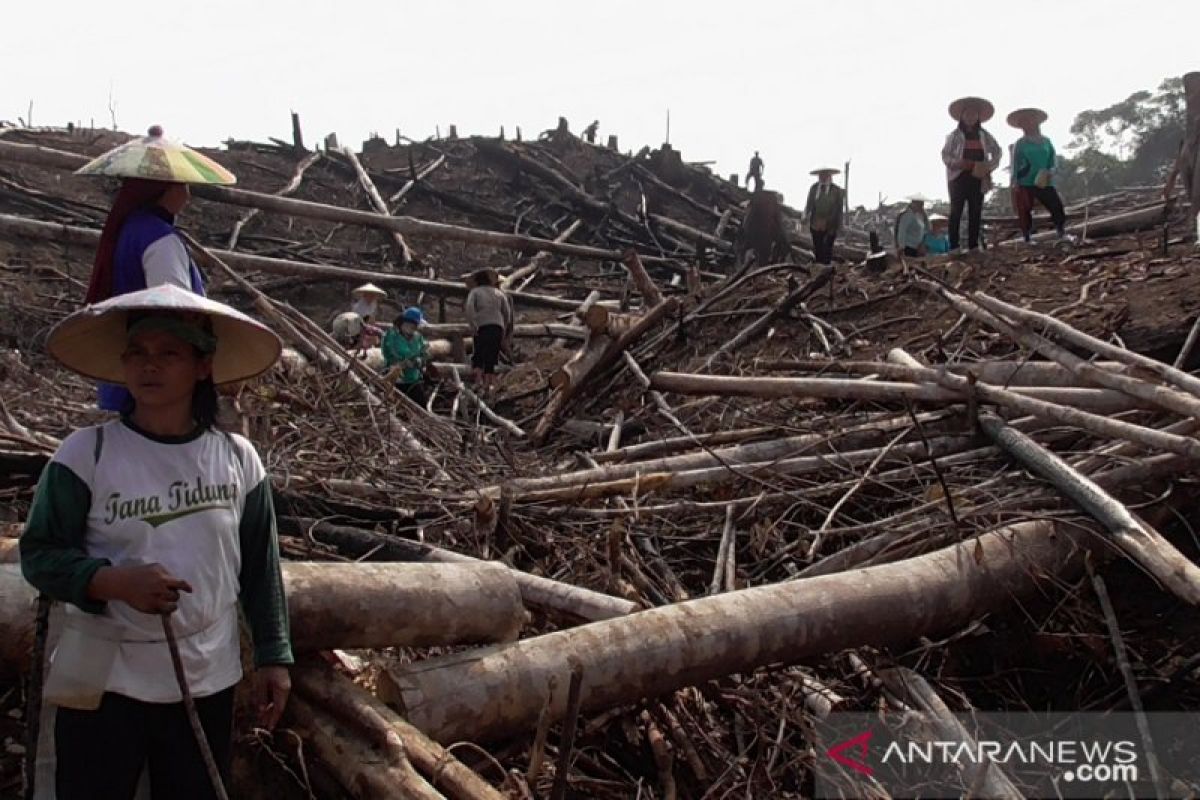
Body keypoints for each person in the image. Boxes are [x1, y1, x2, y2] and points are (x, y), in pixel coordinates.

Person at [20, 284, 292, 800]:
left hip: (205, 679)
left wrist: (274, 656)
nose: (150, 366)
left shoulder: (237, 459)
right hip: (105, 682)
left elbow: (259, 564)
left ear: (203, 366)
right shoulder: (87, 454)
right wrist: (112, 581)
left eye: (169, 353)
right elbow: (40, 553)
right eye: (138, 354)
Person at [75, 125, 237, 412]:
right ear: (166, 188)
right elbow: (174, 306)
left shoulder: (130, 229)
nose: (186, 194)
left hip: (131, 370)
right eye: (181, 185)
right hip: (157, 387)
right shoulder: (159, 238)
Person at [942, 97, 1003, 252]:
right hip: (958, 177)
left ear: (978, 116)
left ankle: (973, 246)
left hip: (978, 175)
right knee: (956, 210)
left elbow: (997, 151)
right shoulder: (954, 136)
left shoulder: (984, 135)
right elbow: (945, 155)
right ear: (962, 116)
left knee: (975, 210)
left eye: (973, 114)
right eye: (967, 114)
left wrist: (989, 166)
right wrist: (958, 163)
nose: (970, 117)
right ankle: (954, 246)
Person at [1007, 108, 1069, 243]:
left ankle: (1061, 232)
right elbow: (1015, 164)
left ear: (1036, 122)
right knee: (1025, 210)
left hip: (1044, 180)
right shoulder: (1020, 143)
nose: (1027, 124)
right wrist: (1015, 181)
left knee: (1056, 205)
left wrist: (1051, 170)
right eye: (1024, 122)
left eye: (1030, 120)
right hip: (1025, 180)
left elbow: (1053, 159)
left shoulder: (1046, 141)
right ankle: (1027, 238)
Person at [465, 268, 513, 393]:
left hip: (482, 327)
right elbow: (507, 313)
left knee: (479, 356)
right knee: (491, 357)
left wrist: (473, 325)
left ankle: (478, 384)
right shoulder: (499, 293)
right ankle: (488, 386)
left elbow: (469, 309)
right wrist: (504, 328)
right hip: (497, 327)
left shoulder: (475, 292)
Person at [382, 306, 431, 405]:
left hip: (413, 379)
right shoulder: (392, 336)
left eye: (416, 326)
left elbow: (424, 352)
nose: (415, 328)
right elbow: (393, 352)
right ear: (405, 322)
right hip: (396, 380)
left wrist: (420, 361)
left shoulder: (417, 337)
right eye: (414, 325)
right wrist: (405, 361)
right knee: (396, 407)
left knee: (421, 405)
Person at [803, 167, 844, 265]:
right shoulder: (814, 188)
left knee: (827, 247)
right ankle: (818, 267)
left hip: (831, 224)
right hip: (816, 223)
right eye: (821, 176)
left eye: (826, 176)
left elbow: (839, 209)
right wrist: (805, 215)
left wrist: (838, 224)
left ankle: (826, 268)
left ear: (830, 177)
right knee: (818, 247)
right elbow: (809, 204)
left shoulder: (836, 190)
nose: (823, 178)